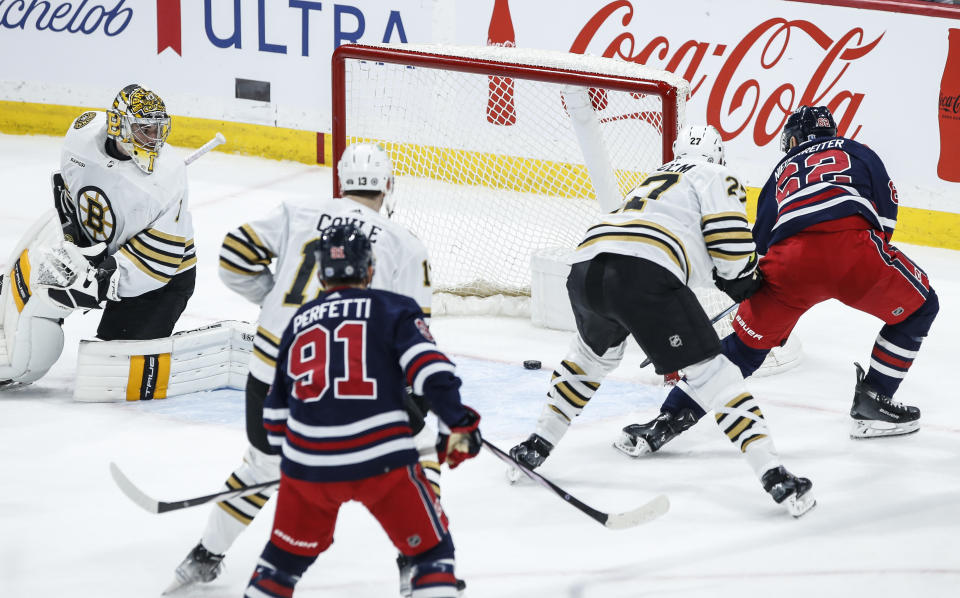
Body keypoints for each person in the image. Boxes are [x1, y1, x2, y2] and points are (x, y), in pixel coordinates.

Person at [166, 143, 441, 593]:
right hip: (350, 379)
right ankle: (418, 564)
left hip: (273, 367)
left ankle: (202, 559)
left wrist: (274, 301)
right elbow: (415, 328)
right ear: (388, 187)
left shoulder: (299, 211)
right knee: (417, 453)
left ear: (342, 184)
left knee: (261, 467)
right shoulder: (404, 243)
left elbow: (235, 253)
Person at [509, 125, 815, 517]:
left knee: (587, 361)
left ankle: (536, 443)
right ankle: (774, 474)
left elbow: (686, 252)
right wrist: (746, 281)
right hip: (645, 274)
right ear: (718, 156)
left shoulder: (655, 179)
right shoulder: (717, 175)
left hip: (586, 269)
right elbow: (729, 246)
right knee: (715, 376)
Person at [623, 106, 939, 453]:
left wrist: (771, 289)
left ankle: (668, 419)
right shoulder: (856, 149)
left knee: (742, 350)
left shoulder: (783, 168)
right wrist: (851, 264)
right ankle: (875, 400)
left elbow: (758, 243)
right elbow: (886, 215)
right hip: (854, 249)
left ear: (792, 139)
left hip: (788, 265)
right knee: (922, 307)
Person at [243, 223, 481, 598]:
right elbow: (431, 371)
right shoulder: (393, 308)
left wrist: (303, 469)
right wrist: (459, 423)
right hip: (382, 464)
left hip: (309, 470)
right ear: (369, 268)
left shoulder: (297, 324)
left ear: (321, 274)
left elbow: (274, 423)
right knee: (431, 553)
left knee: (280, 566)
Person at [0, 83, 195, 386]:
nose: (154, 139)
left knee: (112, 367)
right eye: (144, 129)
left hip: (158, 279)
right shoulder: (82, 136)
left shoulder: (167, 177)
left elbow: (162, 260)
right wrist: (71, 240)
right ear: (117, 125)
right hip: (94, 247)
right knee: (28, 288)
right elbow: (66, 188)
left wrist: (100, 280)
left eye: (158, 130)